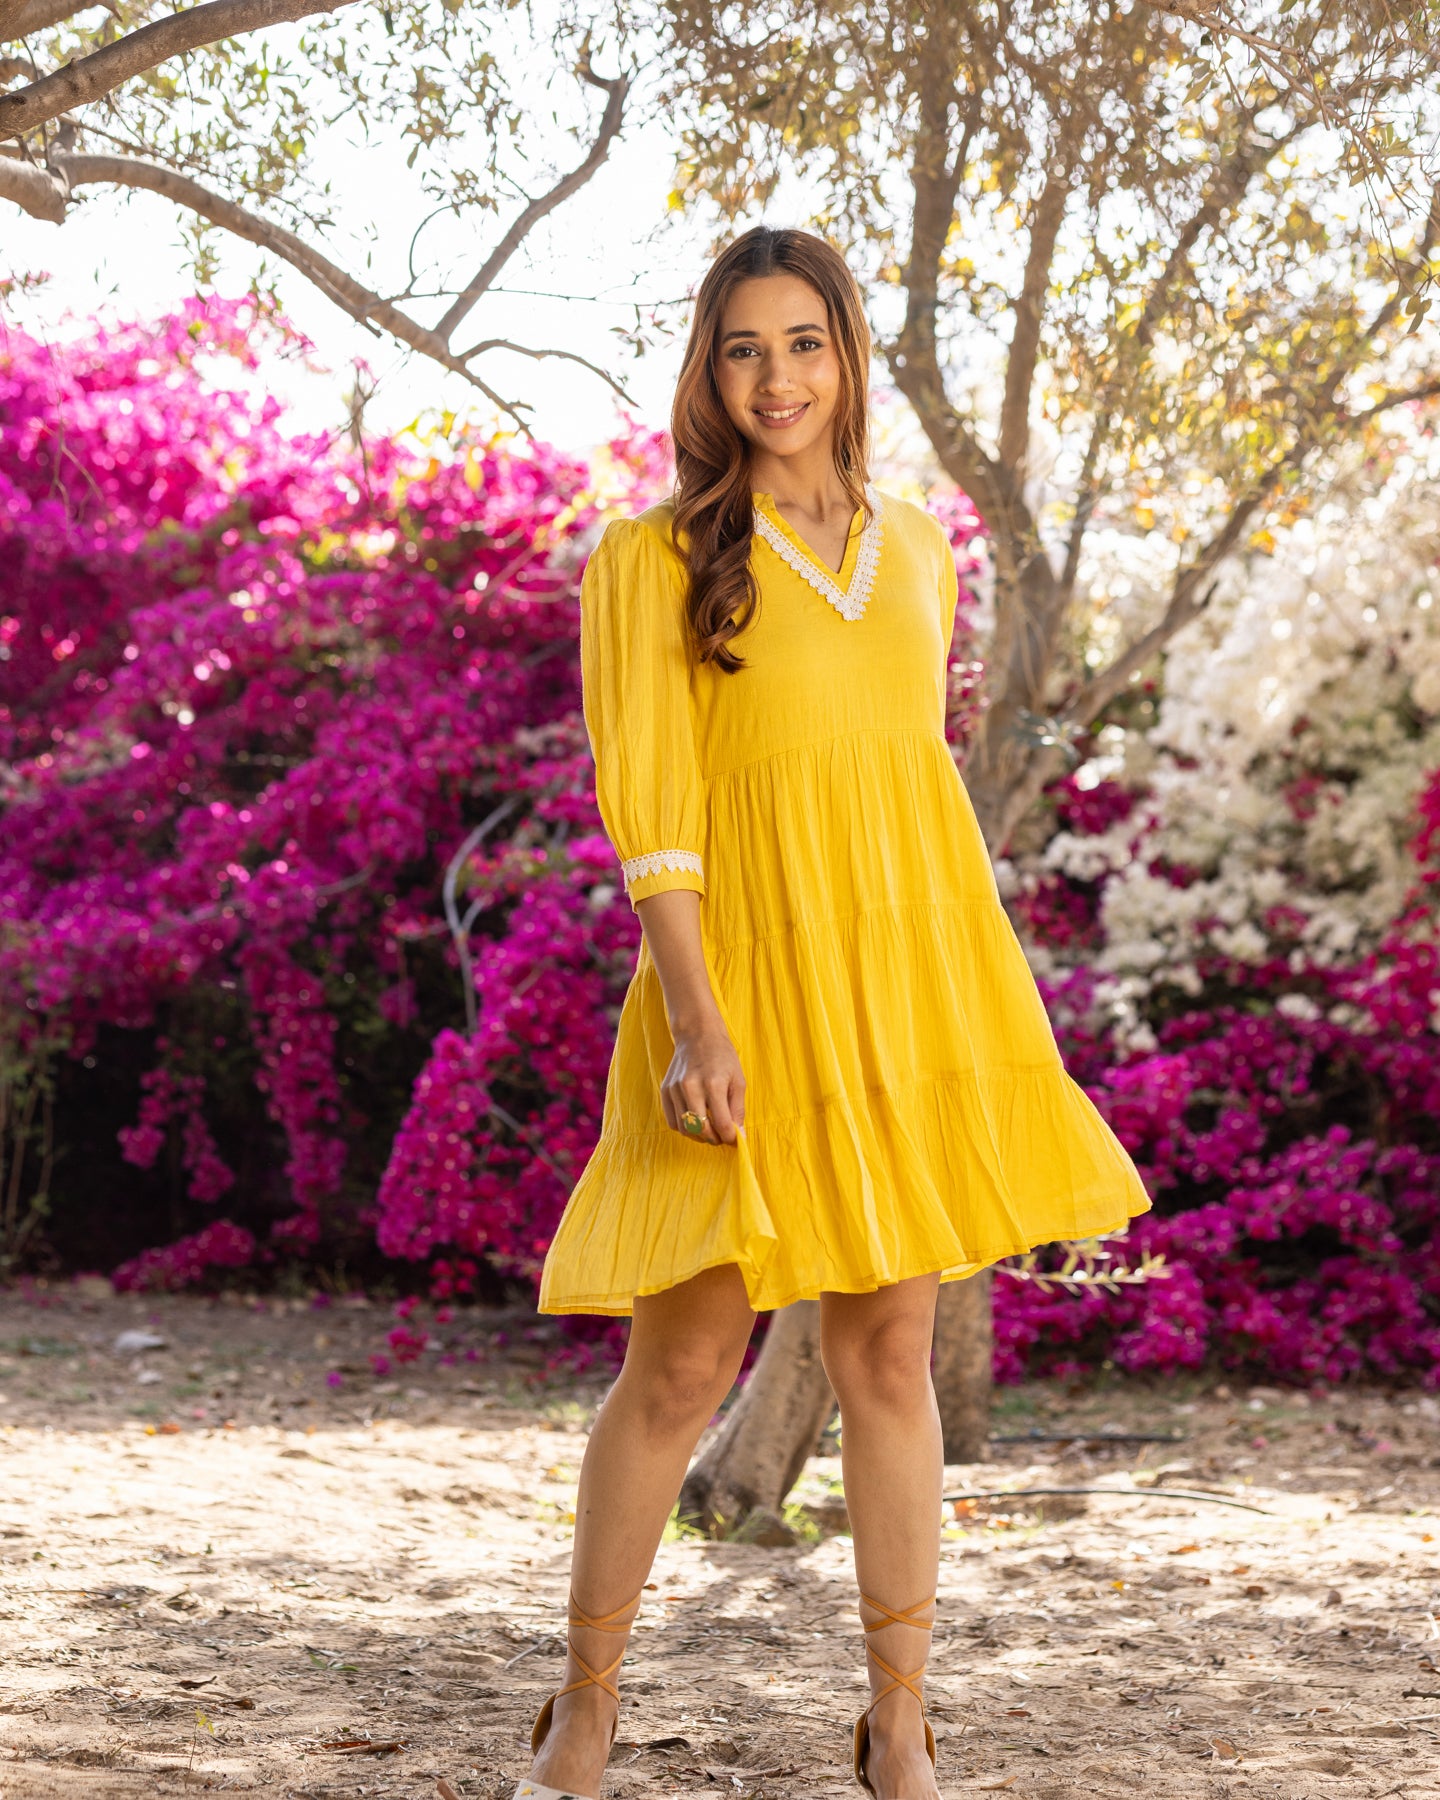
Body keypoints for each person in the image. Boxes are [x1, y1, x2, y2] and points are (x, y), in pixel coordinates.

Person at [513, 226, 1150, 1800]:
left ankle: (901, 1727)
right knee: (680, 1365)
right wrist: (698, 1017)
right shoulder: (652, 560)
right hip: (737, 992)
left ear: (847, 357)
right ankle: (585, 1704)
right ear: (707, 370)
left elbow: (904, 797)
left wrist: (965, 1000)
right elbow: (653, 805)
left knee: (891, 1354)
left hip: (906, 988)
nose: (777, 377)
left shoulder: (921, 548)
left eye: (804, 343)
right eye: (744, 348)